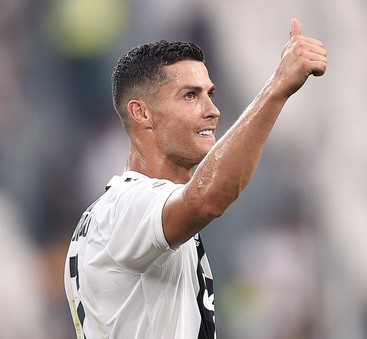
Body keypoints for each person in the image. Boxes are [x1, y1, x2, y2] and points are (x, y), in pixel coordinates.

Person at [63, 18, 327, 338]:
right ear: (142, 113)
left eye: (210, 94)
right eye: (190, 95)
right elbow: (206, 199)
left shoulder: (108, 215)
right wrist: (276, 89)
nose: (213, 109)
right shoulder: (127, 206)